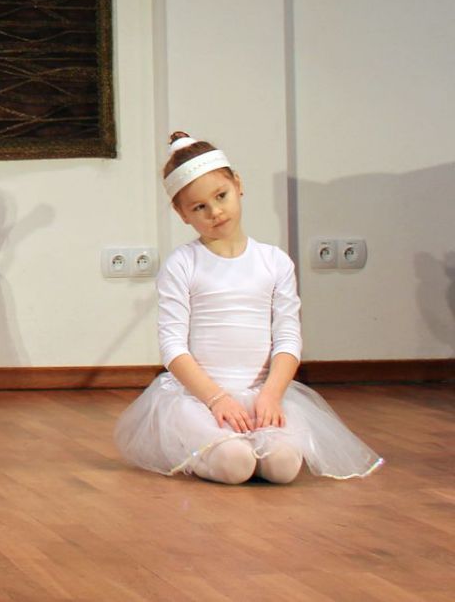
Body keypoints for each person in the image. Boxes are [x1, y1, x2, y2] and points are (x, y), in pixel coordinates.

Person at [114, 132, 382, 483]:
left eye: (220, 196)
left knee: (283, 467)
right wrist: (217, 400)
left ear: (238, 185)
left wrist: (271, 395)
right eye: (199, 207)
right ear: (182, 213)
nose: (215, 212)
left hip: (263, 395)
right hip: (202, 399)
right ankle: (196, 450)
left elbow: (287, 338)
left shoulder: (274, 262)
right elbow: (173, 348)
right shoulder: (183, 264)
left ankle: (249, 441)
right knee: (235, 463)